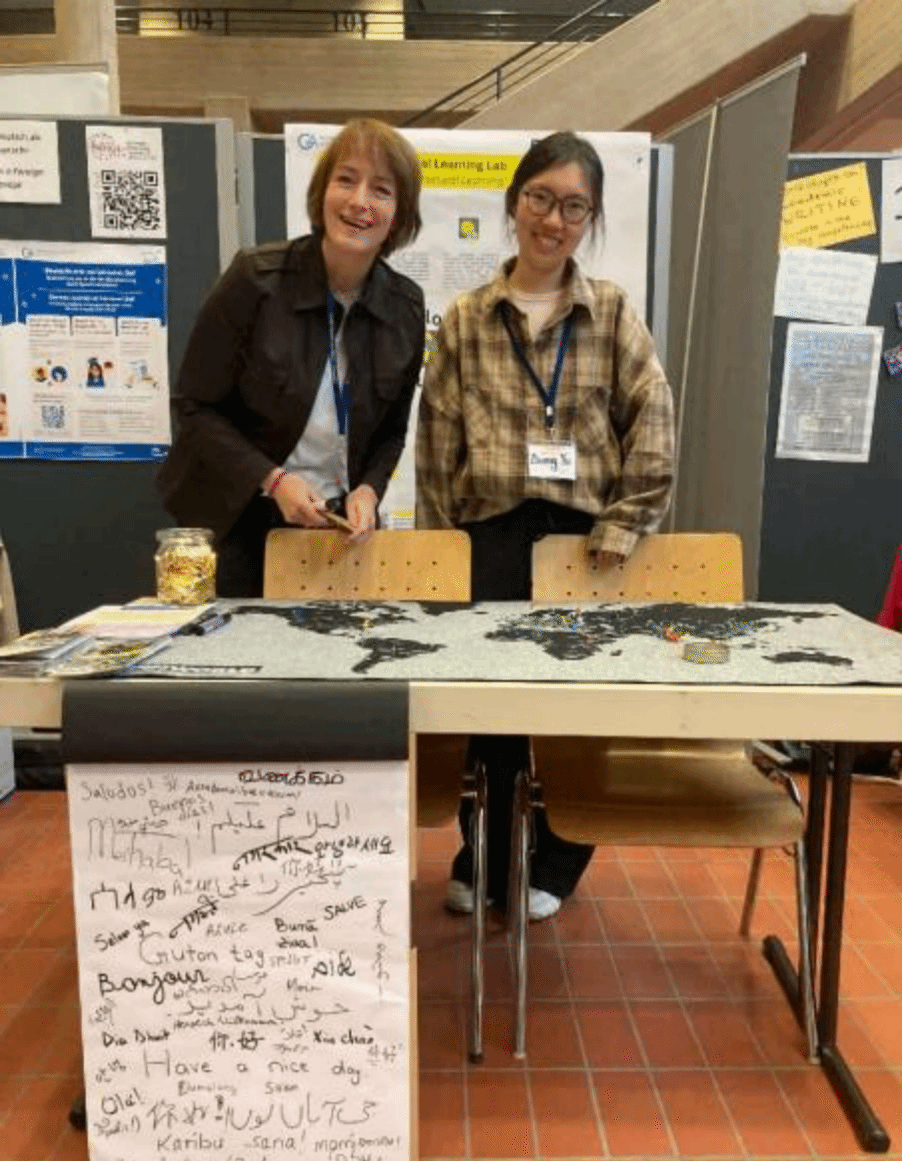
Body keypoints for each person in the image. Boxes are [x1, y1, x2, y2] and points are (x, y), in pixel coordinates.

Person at [416, 132, 676, 921]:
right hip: (489, 536)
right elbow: (436, 445)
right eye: (540, 198)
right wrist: (439, 552)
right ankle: (483, 852)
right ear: (514, 202)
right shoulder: (466, 318)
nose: (553, 220)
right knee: (486, 712)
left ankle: (556, 859)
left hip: (585, 544)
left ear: (589, 220)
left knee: (572, 713)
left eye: (573, 207)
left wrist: (624, 526)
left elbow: (653, 422)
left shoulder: (613, 312)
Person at [158, 118, 426, 596]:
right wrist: (273, 479)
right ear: (322, 192)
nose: (359, 201)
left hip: (336, 527)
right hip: (238, 519)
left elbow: (392, 431)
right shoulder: (255, 280)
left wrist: (370, 489)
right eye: (346, 180)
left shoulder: (404, 307)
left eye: (381, 190)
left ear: (399, 214)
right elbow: (195, 407)